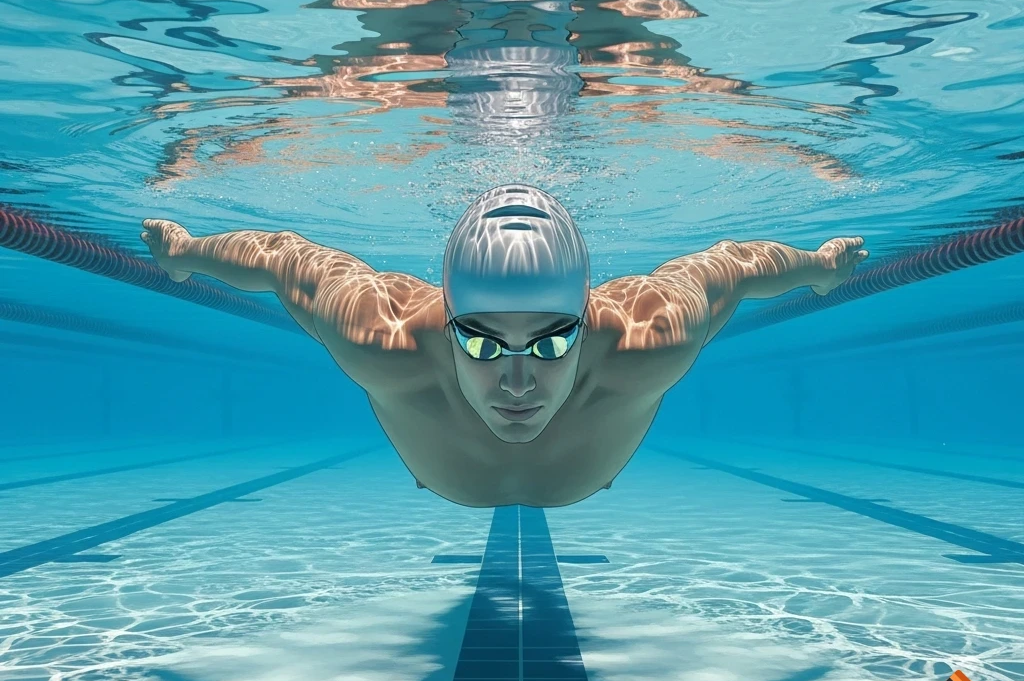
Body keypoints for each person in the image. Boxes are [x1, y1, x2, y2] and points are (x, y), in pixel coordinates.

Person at [141, 185, 868, 507]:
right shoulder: (382, 339)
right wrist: (188, 254)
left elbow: (731, 268)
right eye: (485, 345)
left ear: (589, 318)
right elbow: (280, 259)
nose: (517, 383)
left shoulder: (649, 339)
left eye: (550, 343)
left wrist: (820, 270)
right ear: (445, 318)